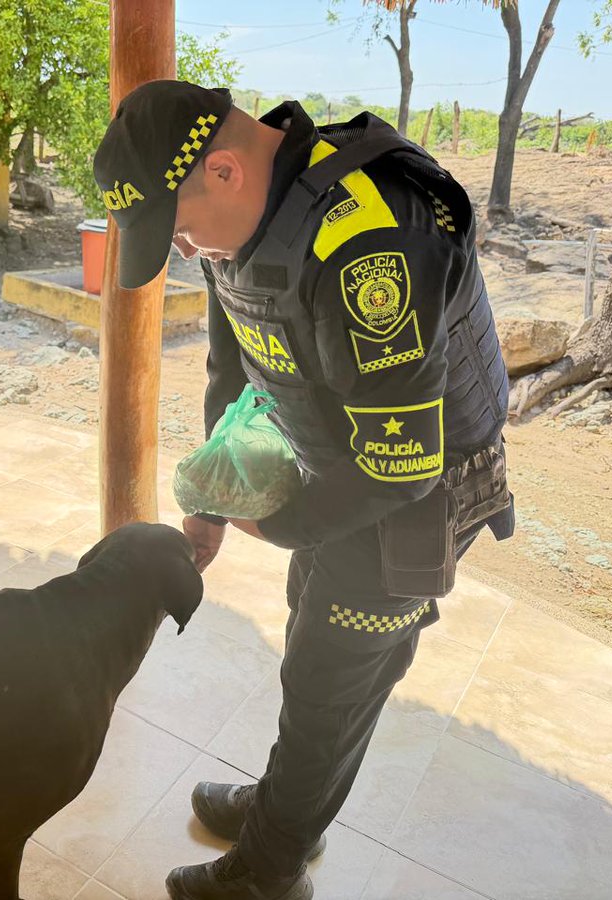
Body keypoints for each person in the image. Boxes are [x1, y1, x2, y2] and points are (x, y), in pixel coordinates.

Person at [93, 81, 515, 900]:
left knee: (334, 675)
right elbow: (234, 363)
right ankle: (289, 808)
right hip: (338, 468)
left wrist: (279, 524)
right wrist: (218, 491)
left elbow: (401, 465)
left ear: (221, 171)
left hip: (415, 492)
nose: (183, 252)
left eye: (176, 229)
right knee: (313, 648)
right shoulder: (245, 226)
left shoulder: (371, 244)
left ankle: (267, 870)